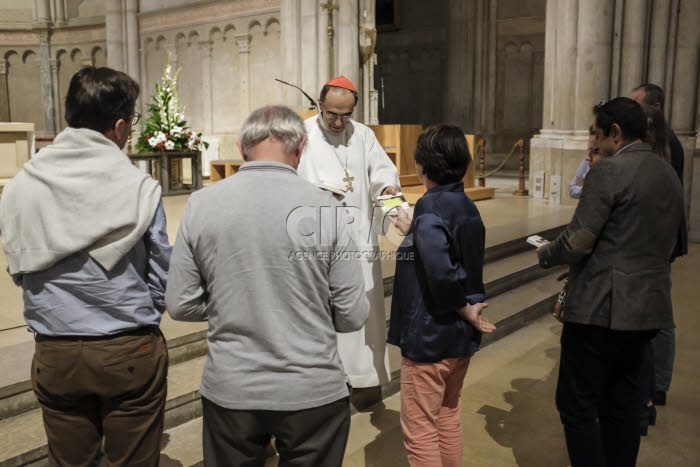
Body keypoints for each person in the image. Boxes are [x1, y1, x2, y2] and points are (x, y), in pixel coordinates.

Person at [165, 105, 370, 466]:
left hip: (233, 388)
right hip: (312, 387)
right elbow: (352, 315)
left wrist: (232, 304)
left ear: (243, 150)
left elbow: (180, 304)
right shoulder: (328, 208)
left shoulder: (201, 204)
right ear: (302, 146)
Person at [0, 67, 170, 466]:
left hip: (54, 349)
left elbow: (19, 269)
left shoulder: (21, 185)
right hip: (128, 346)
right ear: (119, 125)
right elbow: (163, 273)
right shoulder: (137, 186)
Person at [537, 97, 683, 467]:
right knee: (621, 403)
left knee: (576, 404)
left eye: (597, 137)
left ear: (615, 134)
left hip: (602, 309)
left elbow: (577, 241)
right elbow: (657, 240)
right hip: (648, 307)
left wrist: (545, 253)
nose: (594, 146)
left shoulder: (609, 172)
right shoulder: (667, 172)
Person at [388, 124, 495, 466]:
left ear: (421, 166)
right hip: (458, 339)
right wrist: (413, 232)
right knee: (447, 415)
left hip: (432, 334)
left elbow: (439, 272)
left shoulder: (430, 208)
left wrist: (464, 309)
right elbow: (445, 253)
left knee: (420, 429)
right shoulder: (464, 204)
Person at [297, 75, 400, 388]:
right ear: (319, 105)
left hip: (356, 240)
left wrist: (394, 207)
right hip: (313, 239)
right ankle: (322, 377)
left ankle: (358, 374)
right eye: (332, 114)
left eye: (346, 115)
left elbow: (384, 178)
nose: (339, 122)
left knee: (357, 304)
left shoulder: (364, 135)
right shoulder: (302, 134)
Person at [630, 83, 687, 407]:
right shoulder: (657, 141)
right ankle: (653, 380)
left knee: (660, 316)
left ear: (657, 106)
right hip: (656, 241)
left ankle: (658, 383)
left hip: (659, 241)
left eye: (638, 104)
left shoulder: (668, 143)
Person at [568, 127, 598, 199]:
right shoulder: (586, 162)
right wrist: (584, 189)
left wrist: (585, 187)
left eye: (595, 151)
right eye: (589, 150)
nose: (588, 157)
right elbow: (572, 188)